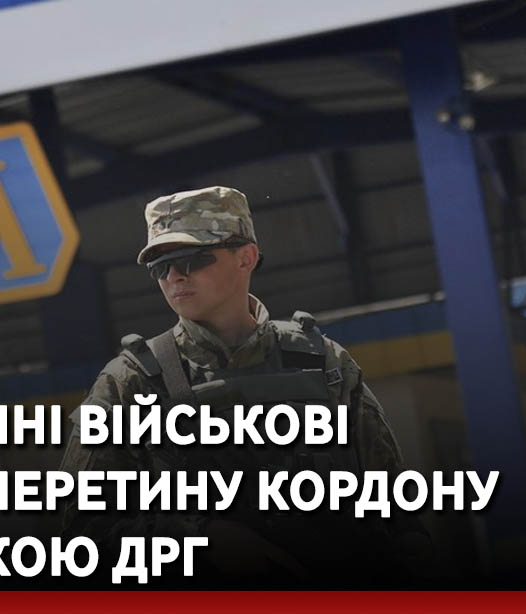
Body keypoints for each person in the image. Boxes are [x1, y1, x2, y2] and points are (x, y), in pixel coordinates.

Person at [58, 186, 429, 586]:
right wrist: (196, 539)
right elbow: (82, 533)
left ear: (246, 258)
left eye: (192, 259)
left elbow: (395, 509)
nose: (174, 277)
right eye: (159, 267)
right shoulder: (131, 382)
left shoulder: (323, 362)